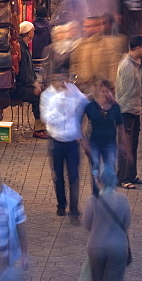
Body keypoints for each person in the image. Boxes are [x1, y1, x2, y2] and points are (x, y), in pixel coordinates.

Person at [41, 71, 89, 224]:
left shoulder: (72, 91)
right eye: (57, 79)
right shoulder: (48, 95)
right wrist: (60, 102)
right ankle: (61, 204)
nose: (61, 83)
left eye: (63, 79)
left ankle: (74, 210)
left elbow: (84, 103)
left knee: (74, 176)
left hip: (72, 141)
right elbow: (47, 118)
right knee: (58, 176)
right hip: (56, 141)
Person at [83, 167, 131, 281]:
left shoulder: (92, 200)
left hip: (96, 246)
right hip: (118, 247)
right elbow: (126, 224)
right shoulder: (123, 200)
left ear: (100, 181)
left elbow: (87, 224)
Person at [83, 80, 128, 196]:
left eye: (107, 91)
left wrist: (123, 143)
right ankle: (96, 196)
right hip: (95, 141)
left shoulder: (115, 107)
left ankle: (110, 194)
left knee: (110, 169)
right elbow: (81, 123)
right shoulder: (91, 106)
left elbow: (120, 125)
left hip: (110, 142)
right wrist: (84, 142)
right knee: (95, 169)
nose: (105, 93)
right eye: (102, 91)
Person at [116, 35, 142, 189]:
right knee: (125, 146)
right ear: (137, 48)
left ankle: (131, 174)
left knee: (133, 144)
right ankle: (122, 178)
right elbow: (128, 92)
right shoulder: (127, 66)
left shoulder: (136, 63)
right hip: (126, 111)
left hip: (134, 110)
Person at [70, 15, 126, 94]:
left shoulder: (110, 43)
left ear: (97, 27)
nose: (84, 29)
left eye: (88, 26)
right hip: (84, 90)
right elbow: (74, 66)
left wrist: (113, 87)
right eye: (85, 26)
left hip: (103, 90)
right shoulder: (79, 44)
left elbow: (114, 67)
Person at [12, 21, 46, 139]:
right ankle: (39, 129)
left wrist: (35, 81)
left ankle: (43, 126)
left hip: (24, 84)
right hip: (19, 88)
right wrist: (34, 84)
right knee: (39, 96)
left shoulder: (23, 46)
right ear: (30, 33)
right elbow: (25, 74)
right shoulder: (21, 47)